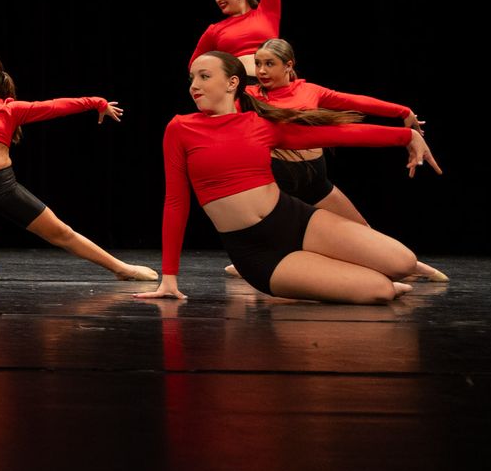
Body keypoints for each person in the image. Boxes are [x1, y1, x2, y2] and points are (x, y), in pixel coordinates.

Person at [138, 51, 440, 304]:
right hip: (257, 253)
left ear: (232, 83)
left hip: (295, 219)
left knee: (403, 262)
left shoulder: (260, 124)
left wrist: (406, 136)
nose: (194, 85)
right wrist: (169, 278)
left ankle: (354, 280)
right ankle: (360, 283)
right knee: (380, 291)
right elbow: (176, 202)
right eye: (192, 78)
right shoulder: (181, 128)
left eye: (204, 76)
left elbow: (337, 133)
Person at [0, 50, 155, 281]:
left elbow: (54, 106)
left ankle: (122, 268)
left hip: (3, 187)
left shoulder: (10, 109)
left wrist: (97, 103)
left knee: (62, 233)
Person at [234, 38, 448, 282]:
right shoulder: (249, 96)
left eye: (269, 64)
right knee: (284, 237)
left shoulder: (310, 91)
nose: (261, 71)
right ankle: (253, 264)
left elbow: (356, 101)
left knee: (361, 229)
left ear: (288, 65)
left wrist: (403, 111)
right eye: (258, 64)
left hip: (315, 179)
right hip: (278, 181)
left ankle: (411, 266)